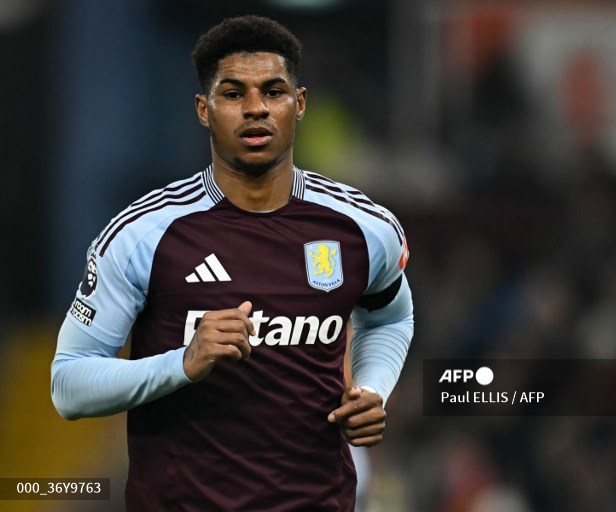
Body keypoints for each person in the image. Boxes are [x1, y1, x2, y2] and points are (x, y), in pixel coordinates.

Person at [50, 15, 413, 512]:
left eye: (273, 91)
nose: (256, 108)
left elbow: (392, 316)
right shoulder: (143, 235)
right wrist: (181, 363)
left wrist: (372, 389)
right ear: (204, 109)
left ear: (299, 103)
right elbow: (69, 386)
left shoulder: (363, 228)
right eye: (234, 93)